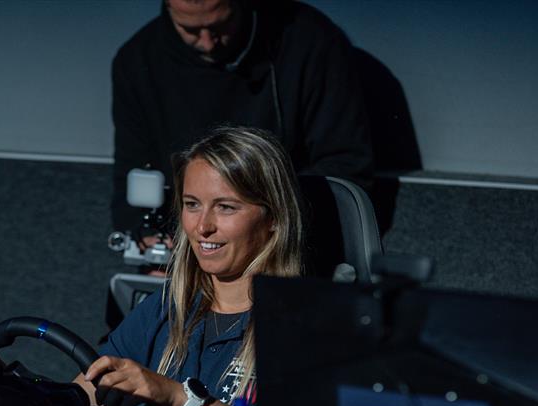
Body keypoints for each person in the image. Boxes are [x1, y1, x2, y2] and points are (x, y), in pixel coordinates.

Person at [83, 125, 303, 406]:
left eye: (226, 207)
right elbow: (88, 389)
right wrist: (19, 395)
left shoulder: (298, 325)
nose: (202, 227)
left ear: (273, 216)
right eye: (192, 204)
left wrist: (174, 396)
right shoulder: (167, 306)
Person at [111, 0, 372, 234]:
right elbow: (132, 167)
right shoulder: (136, 59)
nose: (207, 42)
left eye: (220, 26)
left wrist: (273, 224)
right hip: (184, 244)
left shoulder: (311, 40)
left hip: (285, 238)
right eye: (190, 30)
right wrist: (145, 236)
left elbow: (344, 163)